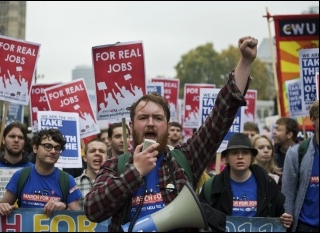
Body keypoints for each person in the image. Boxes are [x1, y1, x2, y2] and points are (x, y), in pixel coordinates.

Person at [85, 36, 259, 232]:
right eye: (143, 118)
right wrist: (135, 172)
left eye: (158, 118)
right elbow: (93, 209)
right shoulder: (115, 166)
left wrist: (245, 61)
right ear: (131, 126)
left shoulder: (184, 159)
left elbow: (220, 116)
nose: (151, 123)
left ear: (167, 127)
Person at [199, 133, 293, 229]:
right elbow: (201, 217)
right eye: (234, 153)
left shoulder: (268, 184)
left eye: (245, 152)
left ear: (252, 157)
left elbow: (278, 214)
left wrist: (284, 219)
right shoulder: (212, 186)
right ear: (226, 157)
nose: (240, 157)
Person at [0, 128, 82, 217]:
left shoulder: (67, 180)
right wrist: (1, 206)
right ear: (35, 148)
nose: (53, 151)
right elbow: (0, 206)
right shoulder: (21, 175)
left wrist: (65, 207)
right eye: (48, 146)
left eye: (57, 148)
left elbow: (78, 217)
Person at [0, 122, 33, 212]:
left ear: (25, 142)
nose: (16, 140)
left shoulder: (33, 170)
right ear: (3, 140)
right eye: (12, 136)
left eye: (20, 137)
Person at [282, 100, 319, 232]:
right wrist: (287, 219)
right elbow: (288, 192)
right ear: (313, 120)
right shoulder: (296, 153)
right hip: (305, 226)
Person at [75, 138, 108, 210]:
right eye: (92, 151)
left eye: (102, 151)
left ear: (107, 158)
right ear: (85, 158)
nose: (97, 153)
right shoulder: (73, 184)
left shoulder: (114, 182)